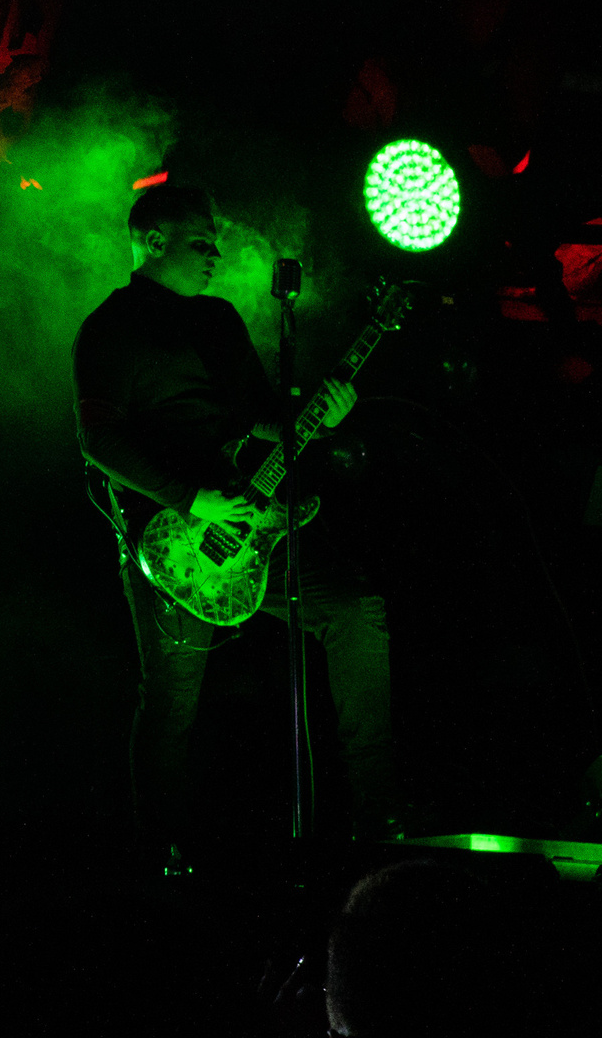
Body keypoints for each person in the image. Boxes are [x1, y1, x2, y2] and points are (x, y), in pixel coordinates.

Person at [72, 183, 394, 860]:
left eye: (217, 242)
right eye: (201, 242)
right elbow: (98, 440)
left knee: (357, 607)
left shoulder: (217, 321)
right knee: (172, 694)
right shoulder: (110, 328)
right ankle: (160, 858)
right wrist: (192, 500)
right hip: (174, 534)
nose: (216, 254)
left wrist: (321, 415)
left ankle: (376, 818)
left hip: (247, 515)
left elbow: (260, 414)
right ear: (153, 242)